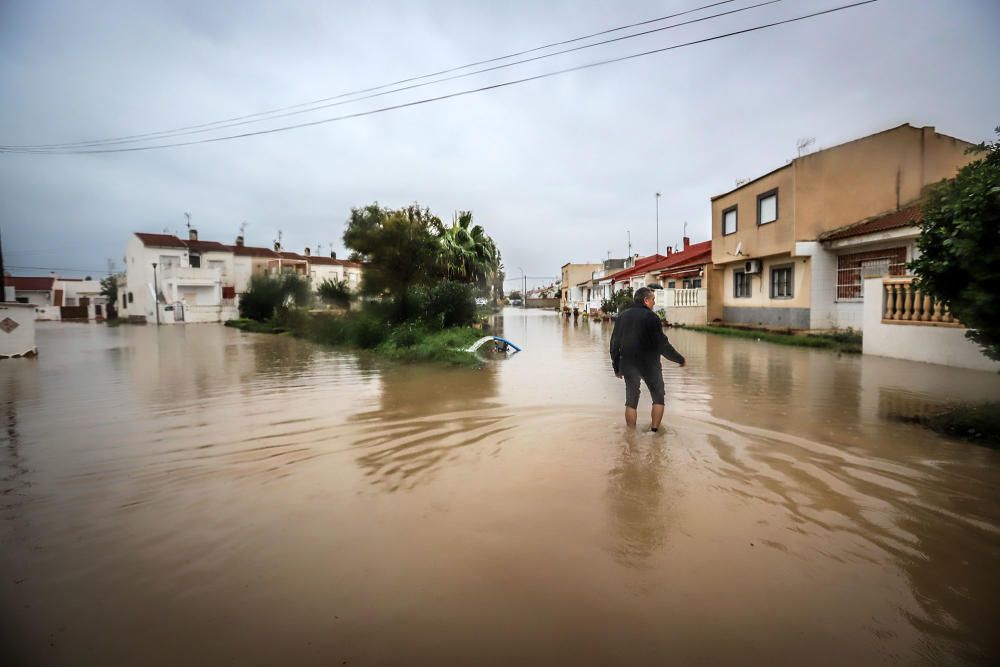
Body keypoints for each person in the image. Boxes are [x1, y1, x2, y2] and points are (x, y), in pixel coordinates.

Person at [609, 286, 685, 431]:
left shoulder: (622, 317)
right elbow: (662, 344)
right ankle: (654, 432)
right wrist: (678, 359)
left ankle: (630, 435)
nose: (654, 303)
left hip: (629, 364)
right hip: (650, 365)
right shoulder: (652, 317)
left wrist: (617, 367)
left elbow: (614, 344)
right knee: (658, 397)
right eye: (653, 299)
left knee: (631, 400)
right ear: (645, 300)